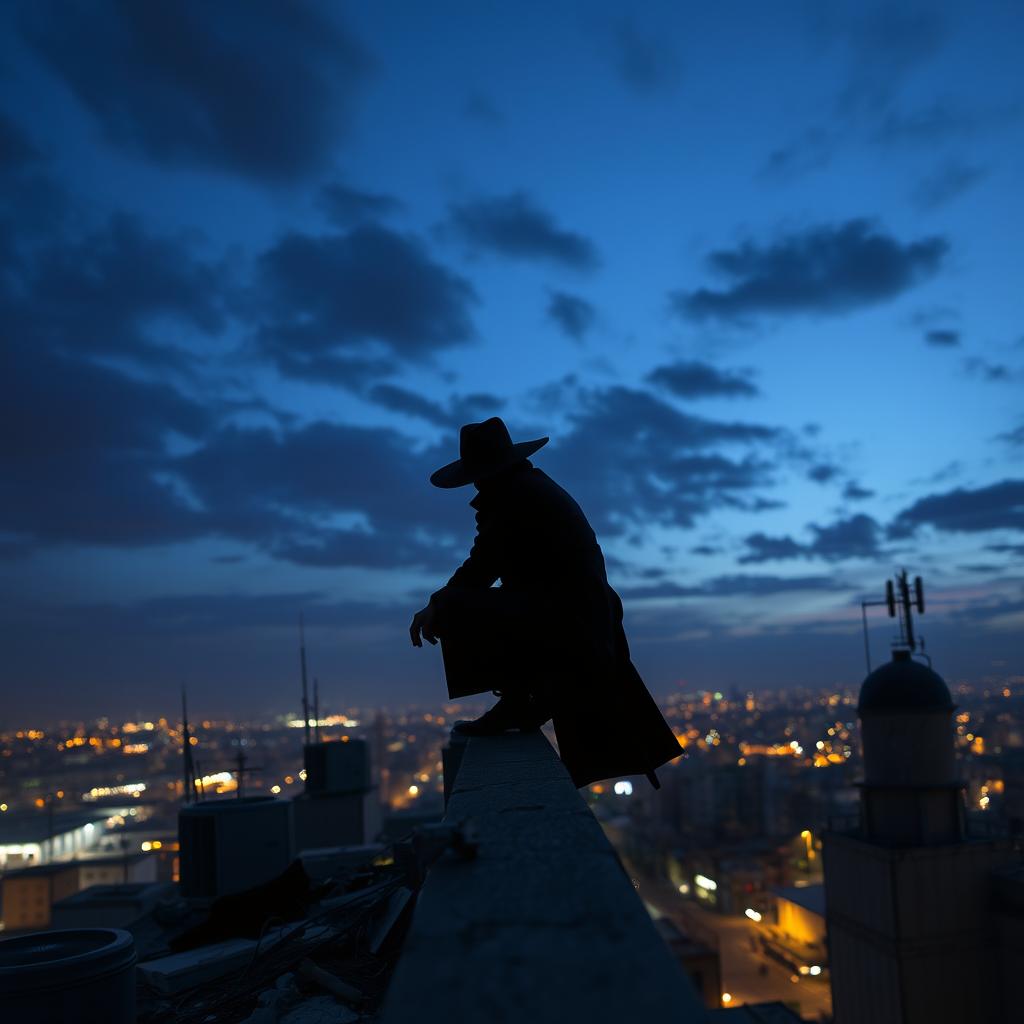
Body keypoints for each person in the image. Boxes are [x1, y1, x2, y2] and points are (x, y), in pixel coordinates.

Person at [409, 417, 682, 789]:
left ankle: (519, 700)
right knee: (457, 603)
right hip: (575, 617)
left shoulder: (515, 498)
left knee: (456, 608)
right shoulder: (528, 488)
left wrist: (436, 606)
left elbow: (481, 565)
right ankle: (522, 698)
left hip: (565, 621)